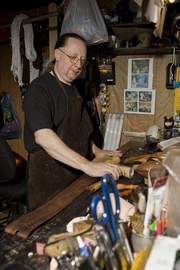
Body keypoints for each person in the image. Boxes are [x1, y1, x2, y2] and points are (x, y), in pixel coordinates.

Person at [23, 33, 123, 210]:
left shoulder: (75, 90)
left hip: (75, 178)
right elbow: (43, 136)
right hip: (49, 183)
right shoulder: (39, 89)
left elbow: (80, 131)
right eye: (73, 57)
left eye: (82, 60)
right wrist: (87, 165)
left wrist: (98, 152)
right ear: (58, 55)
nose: (78, 65)